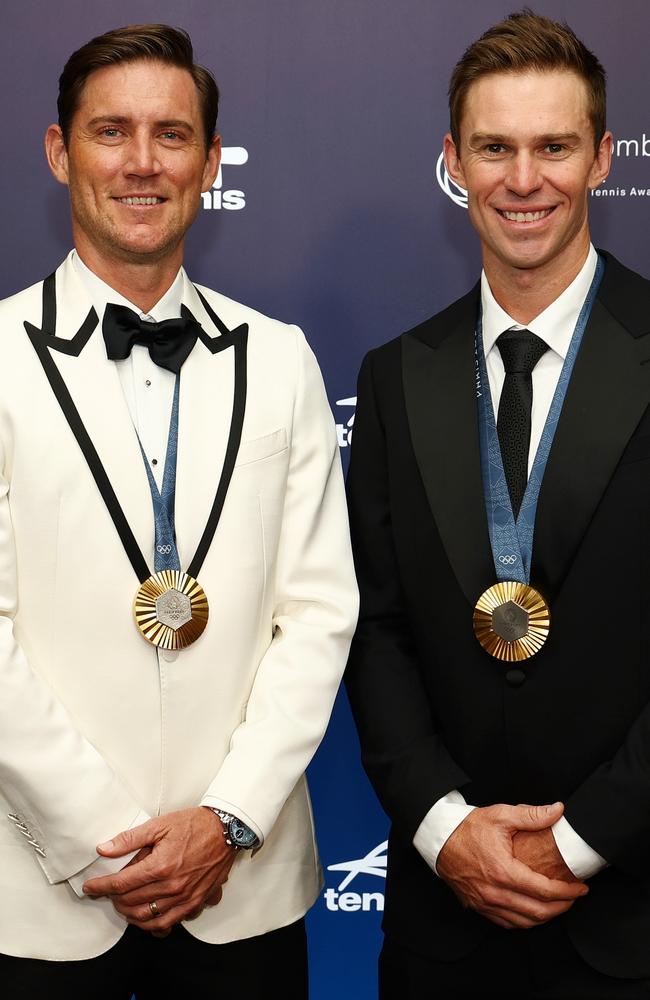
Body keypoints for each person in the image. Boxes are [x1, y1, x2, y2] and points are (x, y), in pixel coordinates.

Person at [0, 23, 358, 998]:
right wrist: (95, 840)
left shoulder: (279, 358)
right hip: (38, 900)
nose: (142, 162)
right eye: (111, 131)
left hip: (240, 891)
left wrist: (226, 820)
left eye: (171, 134)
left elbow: (318, 613)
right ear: (58, 149)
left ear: (208, 159)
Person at [346, 9, 650, 998]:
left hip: (631, 914)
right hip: (443, 924)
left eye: (552, 146)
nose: (522, 181)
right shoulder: (393, 377)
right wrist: (443, 828)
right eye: (493, 148)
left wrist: (582, 838)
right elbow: (372, 626)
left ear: (601, 156)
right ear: (453, 162)